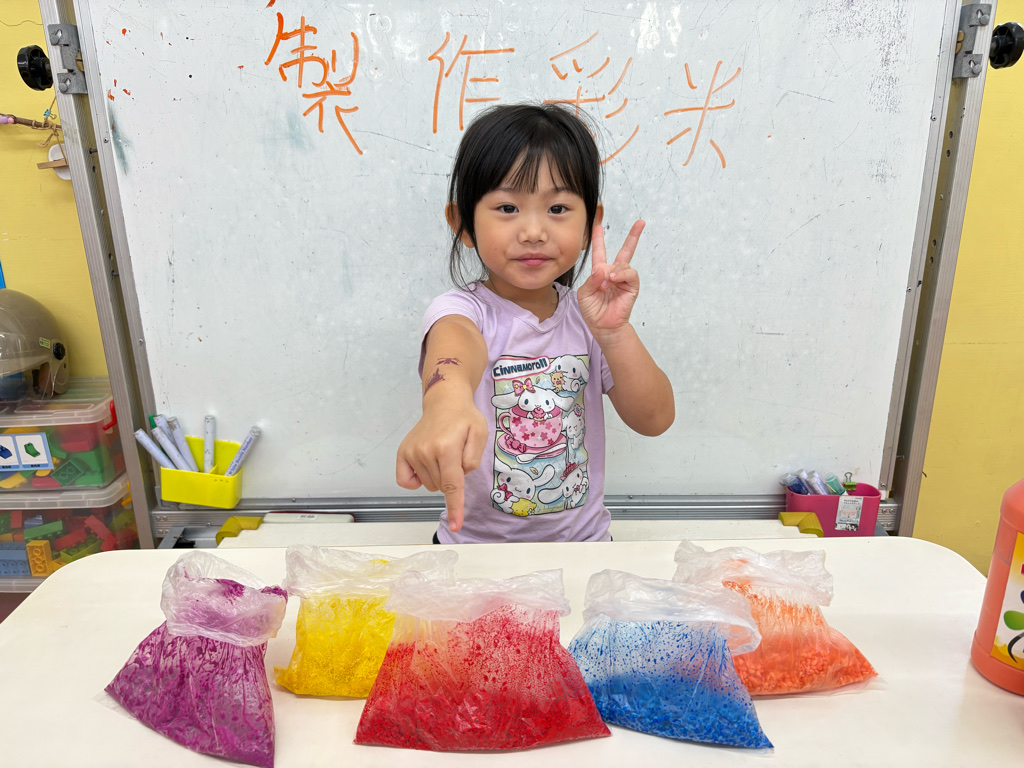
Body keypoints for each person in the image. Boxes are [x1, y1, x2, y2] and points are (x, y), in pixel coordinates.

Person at [395, 103, 674, 544]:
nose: (533, 232)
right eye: (507, 207)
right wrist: (446, 406)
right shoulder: (462, 312)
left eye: (558, 208)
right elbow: (454, 353)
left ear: (591, 223)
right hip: (475, 555)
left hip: (583, 551)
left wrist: (614, 333)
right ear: (462, 223)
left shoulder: (591, 318)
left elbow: (655, 419)